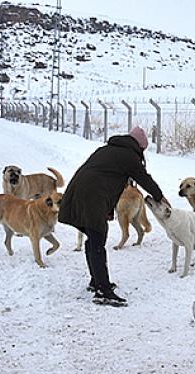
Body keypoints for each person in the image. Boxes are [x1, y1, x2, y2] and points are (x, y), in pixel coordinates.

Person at [59, 126, 165, 307]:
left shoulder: (108, 149)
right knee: (97, 239)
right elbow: (144, 179)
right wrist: (160, 197)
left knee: (93, 239)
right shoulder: (128, 156)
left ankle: (96, 282)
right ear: (139, 146)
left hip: (79, 191)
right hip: (92, 196)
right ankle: (103, 291)